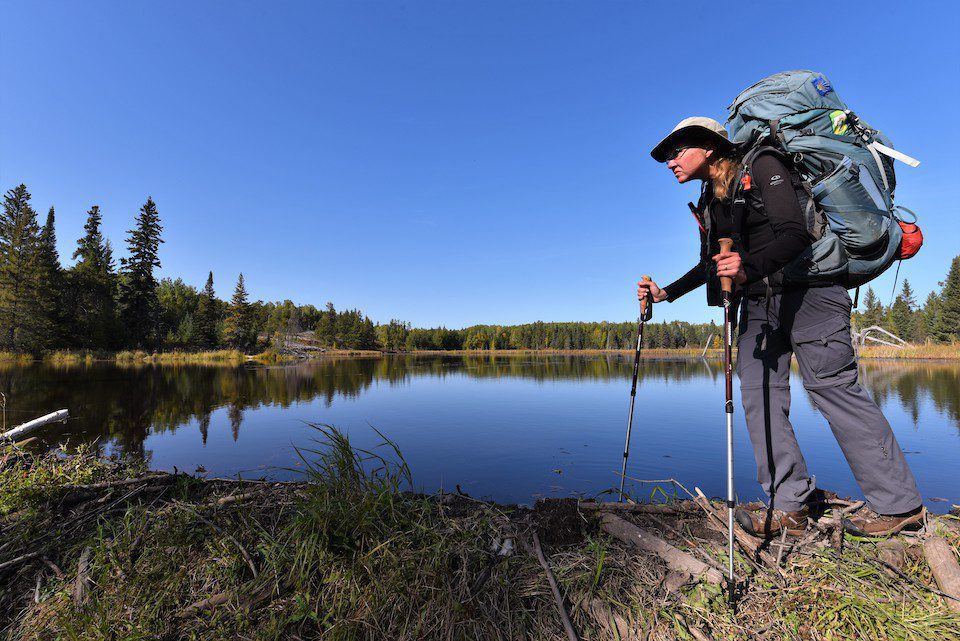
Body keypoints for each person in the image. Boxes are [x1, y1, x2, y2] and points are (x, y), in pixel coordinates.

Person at [638, 117, 925, 537]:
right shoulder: (711, 198)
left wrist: (746, 268)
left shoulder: (764, 164)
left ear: (709, 146)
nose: (669, 162)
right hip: (759, 303)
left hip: (812, 292)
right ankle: (789, 504)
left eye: (676, 151)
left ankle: (899, 505)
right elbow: (710, 264)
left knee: (832, 390)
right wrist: (667, 293)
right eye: (666, 156)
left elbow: (795, 234)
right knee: (758, 396)